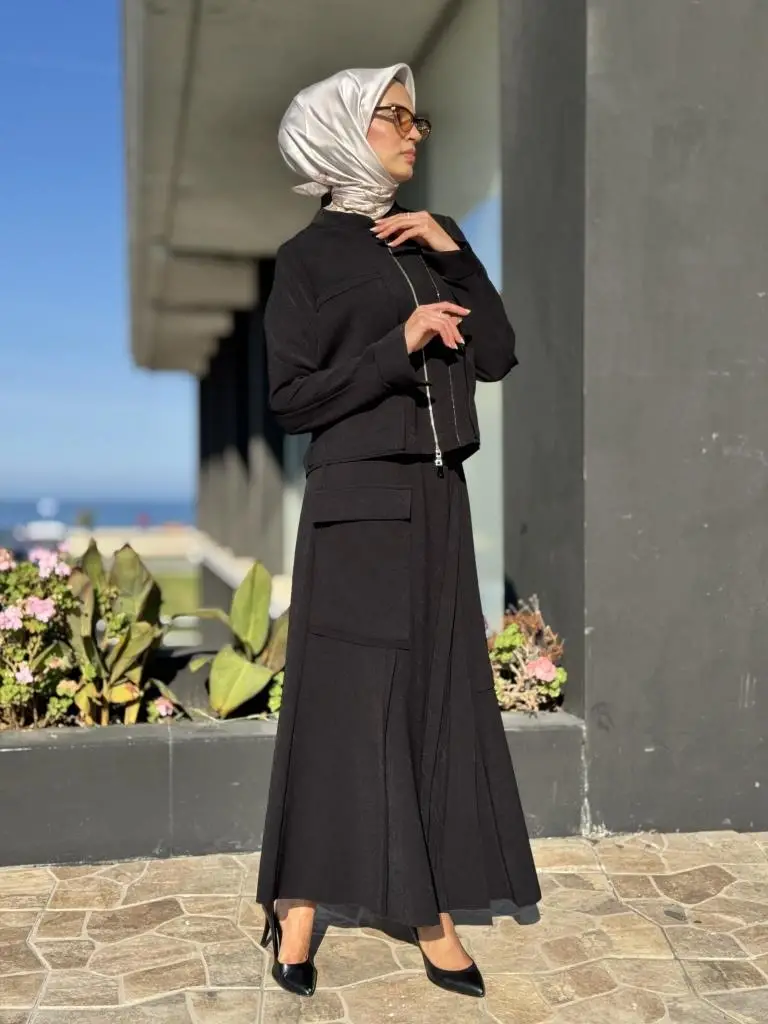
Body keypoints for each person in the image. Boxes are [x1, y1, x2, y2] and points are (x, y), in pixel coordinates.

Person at [256, 63, 541, 999]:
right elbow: (291, 400)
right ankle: (300, 903)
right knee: (346, 703)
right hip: (355, 503)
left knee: (434, 696)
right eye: (395, 116)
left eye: (418, 119)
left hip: (437, 496)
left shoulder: (429, 238)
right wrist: (397, 345)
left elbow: (498, 355)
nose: (415, 132)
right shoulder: (306, 260)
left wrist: (457, 255)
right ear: (344, 130)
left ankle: (429, 905)